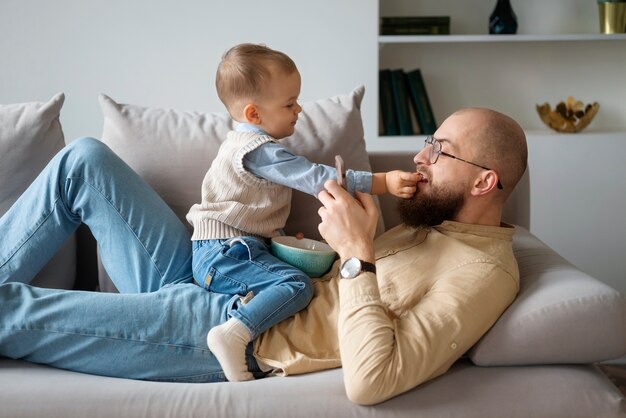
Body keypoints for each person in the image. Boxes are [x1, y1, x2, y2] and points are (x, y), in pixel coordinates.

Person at [0, 105, 527, 405]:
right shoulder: (434, 223)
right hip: (225, 270)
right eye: (427, 143)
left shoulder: (483, 272)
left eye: (440, 149)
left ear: (485, 180)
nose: (420, 157)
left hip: (234, 330)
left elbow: (373, 380)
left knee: (12, 308)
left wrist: (357, 252)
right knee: (83, 161)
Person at [188, 43, 419, 381]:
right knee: (297, 286)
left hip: (234, 249)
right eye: (289, 103)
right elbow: (318, 178)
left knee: (308, 273)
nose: (299, 109)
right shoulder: (258, 152)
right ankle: (234, 333)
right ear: (254, 114)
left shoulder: (249, 145)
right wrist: (383, 181)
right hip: (223, 254)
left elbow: (252, 214)